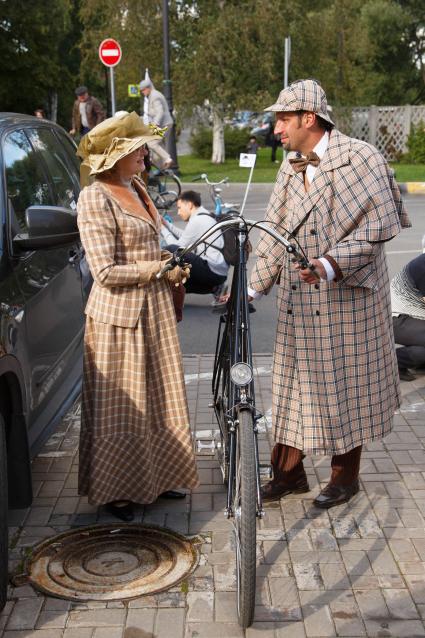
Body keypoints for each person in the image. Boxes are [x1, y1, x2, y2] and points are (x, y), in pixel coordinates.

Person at [248, 78, 410, 509]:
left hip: (350, 297)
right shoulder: (289, 166)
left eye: (283, 119)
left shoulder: (361, 158)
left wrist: (329, 264)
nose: (277, 129)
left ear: (308, 117)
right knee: (292, 386)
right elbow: (275, 230)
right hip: (300, 301)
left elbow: (381, 225)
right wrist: (250, 288)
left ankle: (345, 478)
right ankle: (288, 474)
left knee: (347, 388)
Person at [76, 111, 198, 521]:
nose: (146, 153)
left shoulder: (139, 187)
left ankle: (158, 479)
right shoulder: (96, 197)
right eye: (138, 147)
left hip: (154, 309)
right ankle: (119, 492)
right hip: (119, 319)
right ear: (116, 154)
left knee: (159, 400)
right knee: (124, 406)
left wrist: (169, 262)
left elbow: (146, 251)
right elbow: (105, 271)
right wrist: (157, 270)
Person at [161, 190, 229, 296]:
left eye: (179, 207)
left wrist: (161, 228)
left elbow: (178, 247)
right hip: (219, 272)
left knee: (172, 251)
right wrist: (166, 225)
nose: (178, 212)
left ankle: (168, 293)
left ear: (189, 205)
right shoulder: (204, 215)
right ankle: (214, 288)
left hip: (212, 270)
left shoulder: (197, 220)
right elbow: (185, 235)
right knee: (179, 281)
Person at [391, 253, 425, 381]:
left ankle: (418, 361)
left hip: (415, 316)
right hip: (397, 319)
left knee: (421, 352)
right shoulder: (423, 266)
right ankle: (393, 360)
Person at [139, 79, 174, 169]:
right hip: (164, 123)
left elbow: (160, 112)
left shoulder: (155, 96)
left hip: (163, 124)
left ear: (148, 88)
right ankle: (163, 168)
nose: (143, 92)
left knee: (151, 142)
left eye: (143, 90)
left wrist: (154, 125)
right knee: (158, 146)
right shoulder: (153, 95)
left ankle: (167, 159)